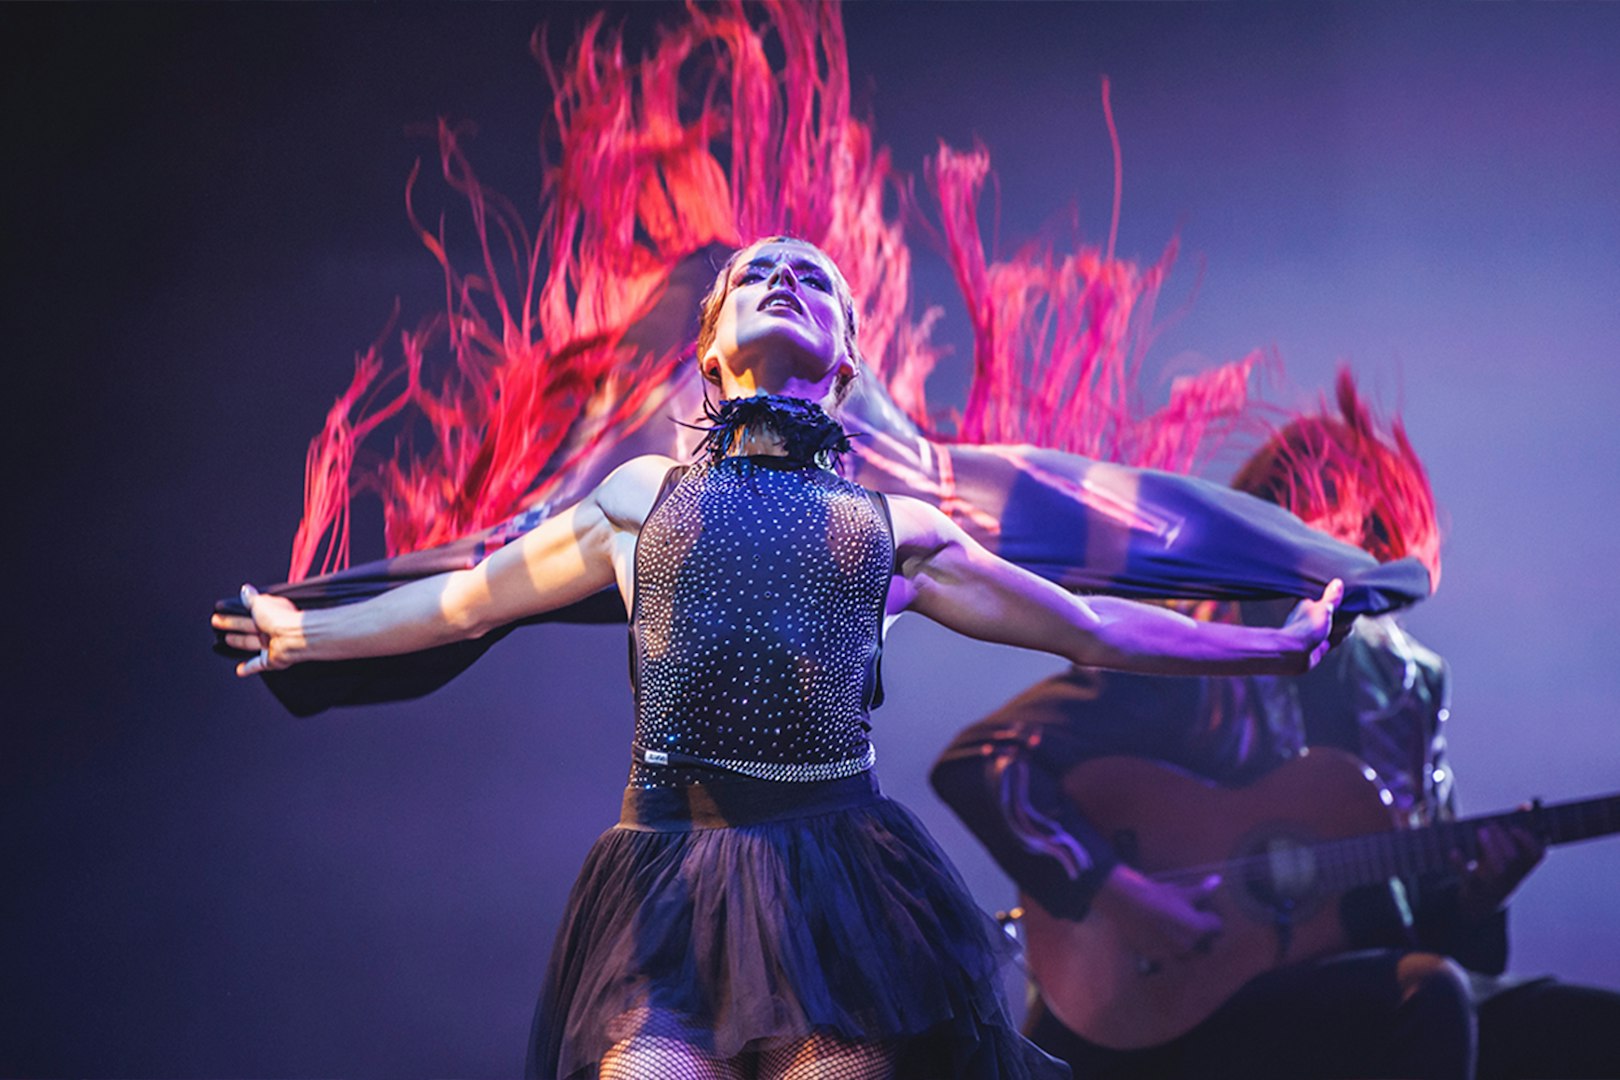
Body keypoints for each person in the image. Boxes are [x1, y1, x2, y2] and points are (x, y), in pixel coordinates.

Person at [214, 237, 1344, 1080]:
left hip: (835, 890)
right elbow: (464, 607)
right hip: (663, 888)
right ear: (709, 349)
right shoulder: (640, 501)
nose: (789, 282)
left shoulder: (895, 532)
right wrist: (305, 634)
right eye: (761, 275)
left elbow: (1092, 628)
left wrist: (1268, 650)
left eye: (818, 282)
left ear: (848, 360)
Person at [930, 380, 1620, 1080]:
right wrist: (1120, 893)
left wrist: (1479, 897)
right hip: (1169, 1008)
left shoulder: (1408, 687)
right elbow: (986, 762)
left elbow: (1446, 942)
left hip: (1349, 994)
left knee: (1588, 1028)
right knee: (1430, 995)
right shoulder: (1193, 646)